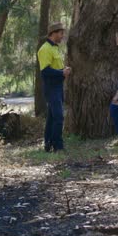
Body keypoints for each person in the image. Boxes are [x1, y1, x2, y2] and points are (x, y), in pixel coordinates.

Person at [37, 22, 71, 152]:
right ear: (54, 33)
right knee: (58, 117)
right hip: (51, 88)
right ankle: (58, 146)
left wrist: (64, 70)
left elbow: (54, 67)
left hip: (58, 87)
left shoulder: (55, 48)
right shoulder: (45, 49)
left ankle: (48, 144)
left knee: (52, 118)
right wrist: (61, 73)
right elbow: (45, 71)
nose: (62, 36)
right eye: (61, 33)